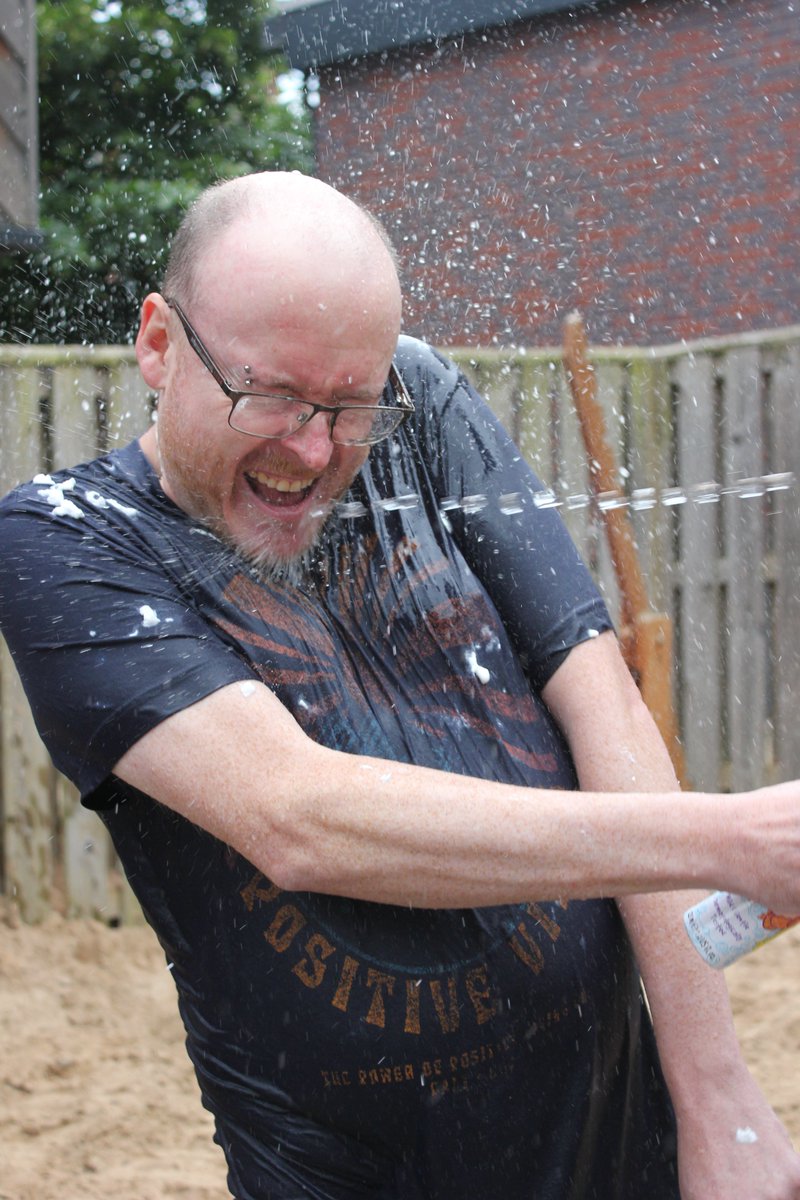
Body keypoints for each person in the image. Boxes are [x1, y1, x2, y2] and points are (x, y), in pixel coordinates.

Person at [1, 170, 799, 1200]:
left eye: (347, 406)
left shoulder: (417, 401)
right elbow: (299, 818)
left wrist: (716, 1097)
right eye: (270, 396)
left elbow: (595, 693)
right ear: (158, 343)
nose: (314, 449)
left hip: (621, 1141)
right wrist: (730, 840)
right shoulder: (65, 543)